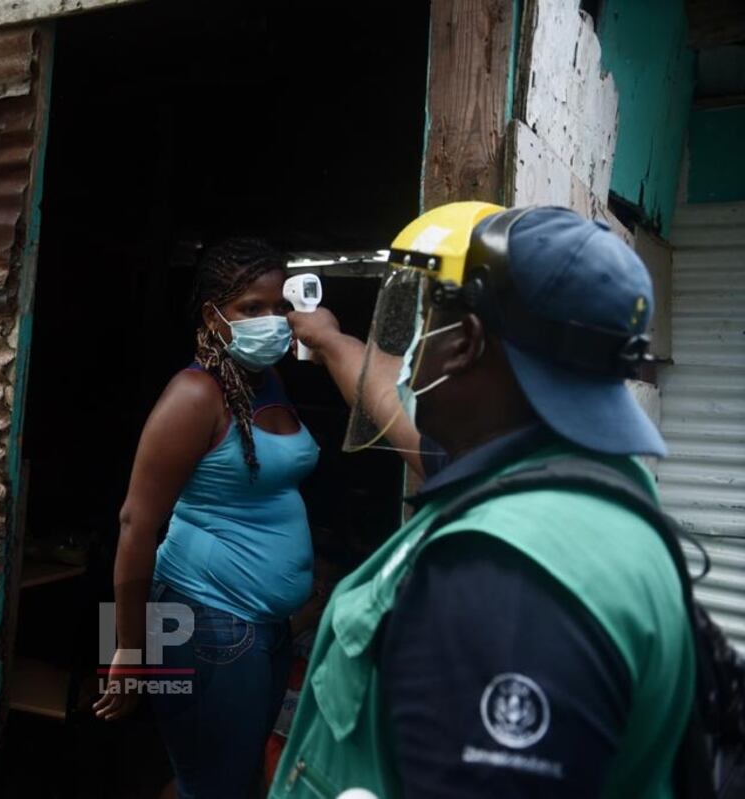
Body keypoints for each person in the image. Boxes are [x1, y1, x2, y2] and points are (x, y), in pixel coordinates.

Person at [273, 203, 695, 798]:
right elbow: (391, 406)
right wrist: (329, 339)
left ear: (465, 343)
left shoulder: (505, 577)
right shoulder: (581, 477)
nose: (412, 361)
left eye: (427, 326)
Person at [93, 238, 321, 798]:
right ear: (213, 317)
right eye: (251, 308)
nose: (270, 321)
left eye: (278, 307)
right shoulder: (194, 395)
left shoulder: (266, 380)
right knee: (216, 784)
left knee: (231, 780)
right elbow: (135, 525)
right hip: (201, 621)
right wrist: (129, 647)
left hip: (264, 627)